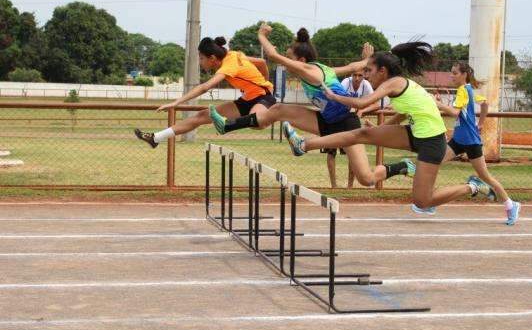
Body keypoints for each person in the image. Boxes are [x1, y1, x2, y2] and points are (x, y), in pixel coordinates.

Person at [282, 41, 497, 212]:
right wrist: (383, 127)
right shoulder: (397, 84)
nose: (365, 75)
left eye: (369, 70)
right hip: (415, 133)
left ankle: (473, 186)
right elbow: (406, 112)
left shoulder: (393, 83)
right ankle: (303, 144)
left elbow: (361, 103)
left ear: (383, 71)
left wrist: (332, 95)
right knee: (361, 133)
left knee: (423, 201)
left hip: (432, 141)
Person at [208, 24, 415, 187]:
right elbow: (352, 67)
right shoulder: (323, 68)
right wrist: (367, 59)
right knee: (279, 110)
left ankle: (403, 166)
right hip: (324, 120)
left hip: (346, 124)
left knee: (366, 178)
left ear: (301, 59)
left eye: (290, 58)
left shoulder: (309, 72)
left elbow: (272, 55)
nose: (287, 62)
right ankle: (228, 125)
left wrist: (262, 35)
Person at [133, 36, 275, 148]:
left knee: (257, 121)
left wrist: (176, 102)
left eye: (201, 58)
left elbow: (204, 87)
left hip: (264, 98)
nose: (200, 62)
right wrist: (263, 81)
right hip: (247, 99)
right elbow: (261, 62)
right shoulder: (234, 54)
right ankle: (155, 138)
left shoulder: (227, 66)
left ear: (212, 58)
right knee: (201, 116)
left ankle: (227, 125)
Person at [435, 61, 521, 225]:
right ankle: (430, 202)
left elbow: (455, 112)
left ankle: (511, 204)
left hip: (470, 141)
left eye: (454, 73)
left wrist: (438, 104)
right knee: (434, 163)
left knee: (485, 176)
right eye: (451, 72)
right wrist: (479, 124)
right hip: (459, 140)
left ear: (464, 74)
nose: (451, 76)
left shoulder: (463, 90)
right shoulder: (467, 90)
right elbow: (485, 103)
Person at [323, 70, 376, 189]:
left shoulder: (366, 85)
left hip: (350, 120)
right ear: (350, 75)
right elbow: (337, 100)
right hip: (336, 118)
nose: (357, 78)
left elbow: (376, 104)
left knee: (352, 154)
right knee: (331, 152)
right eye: (354, 75)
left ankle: (350, 186)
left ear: (364, 76)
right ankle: (334, 186)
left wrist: (362, 110)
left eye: (360, 75)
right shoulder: (345, 83)